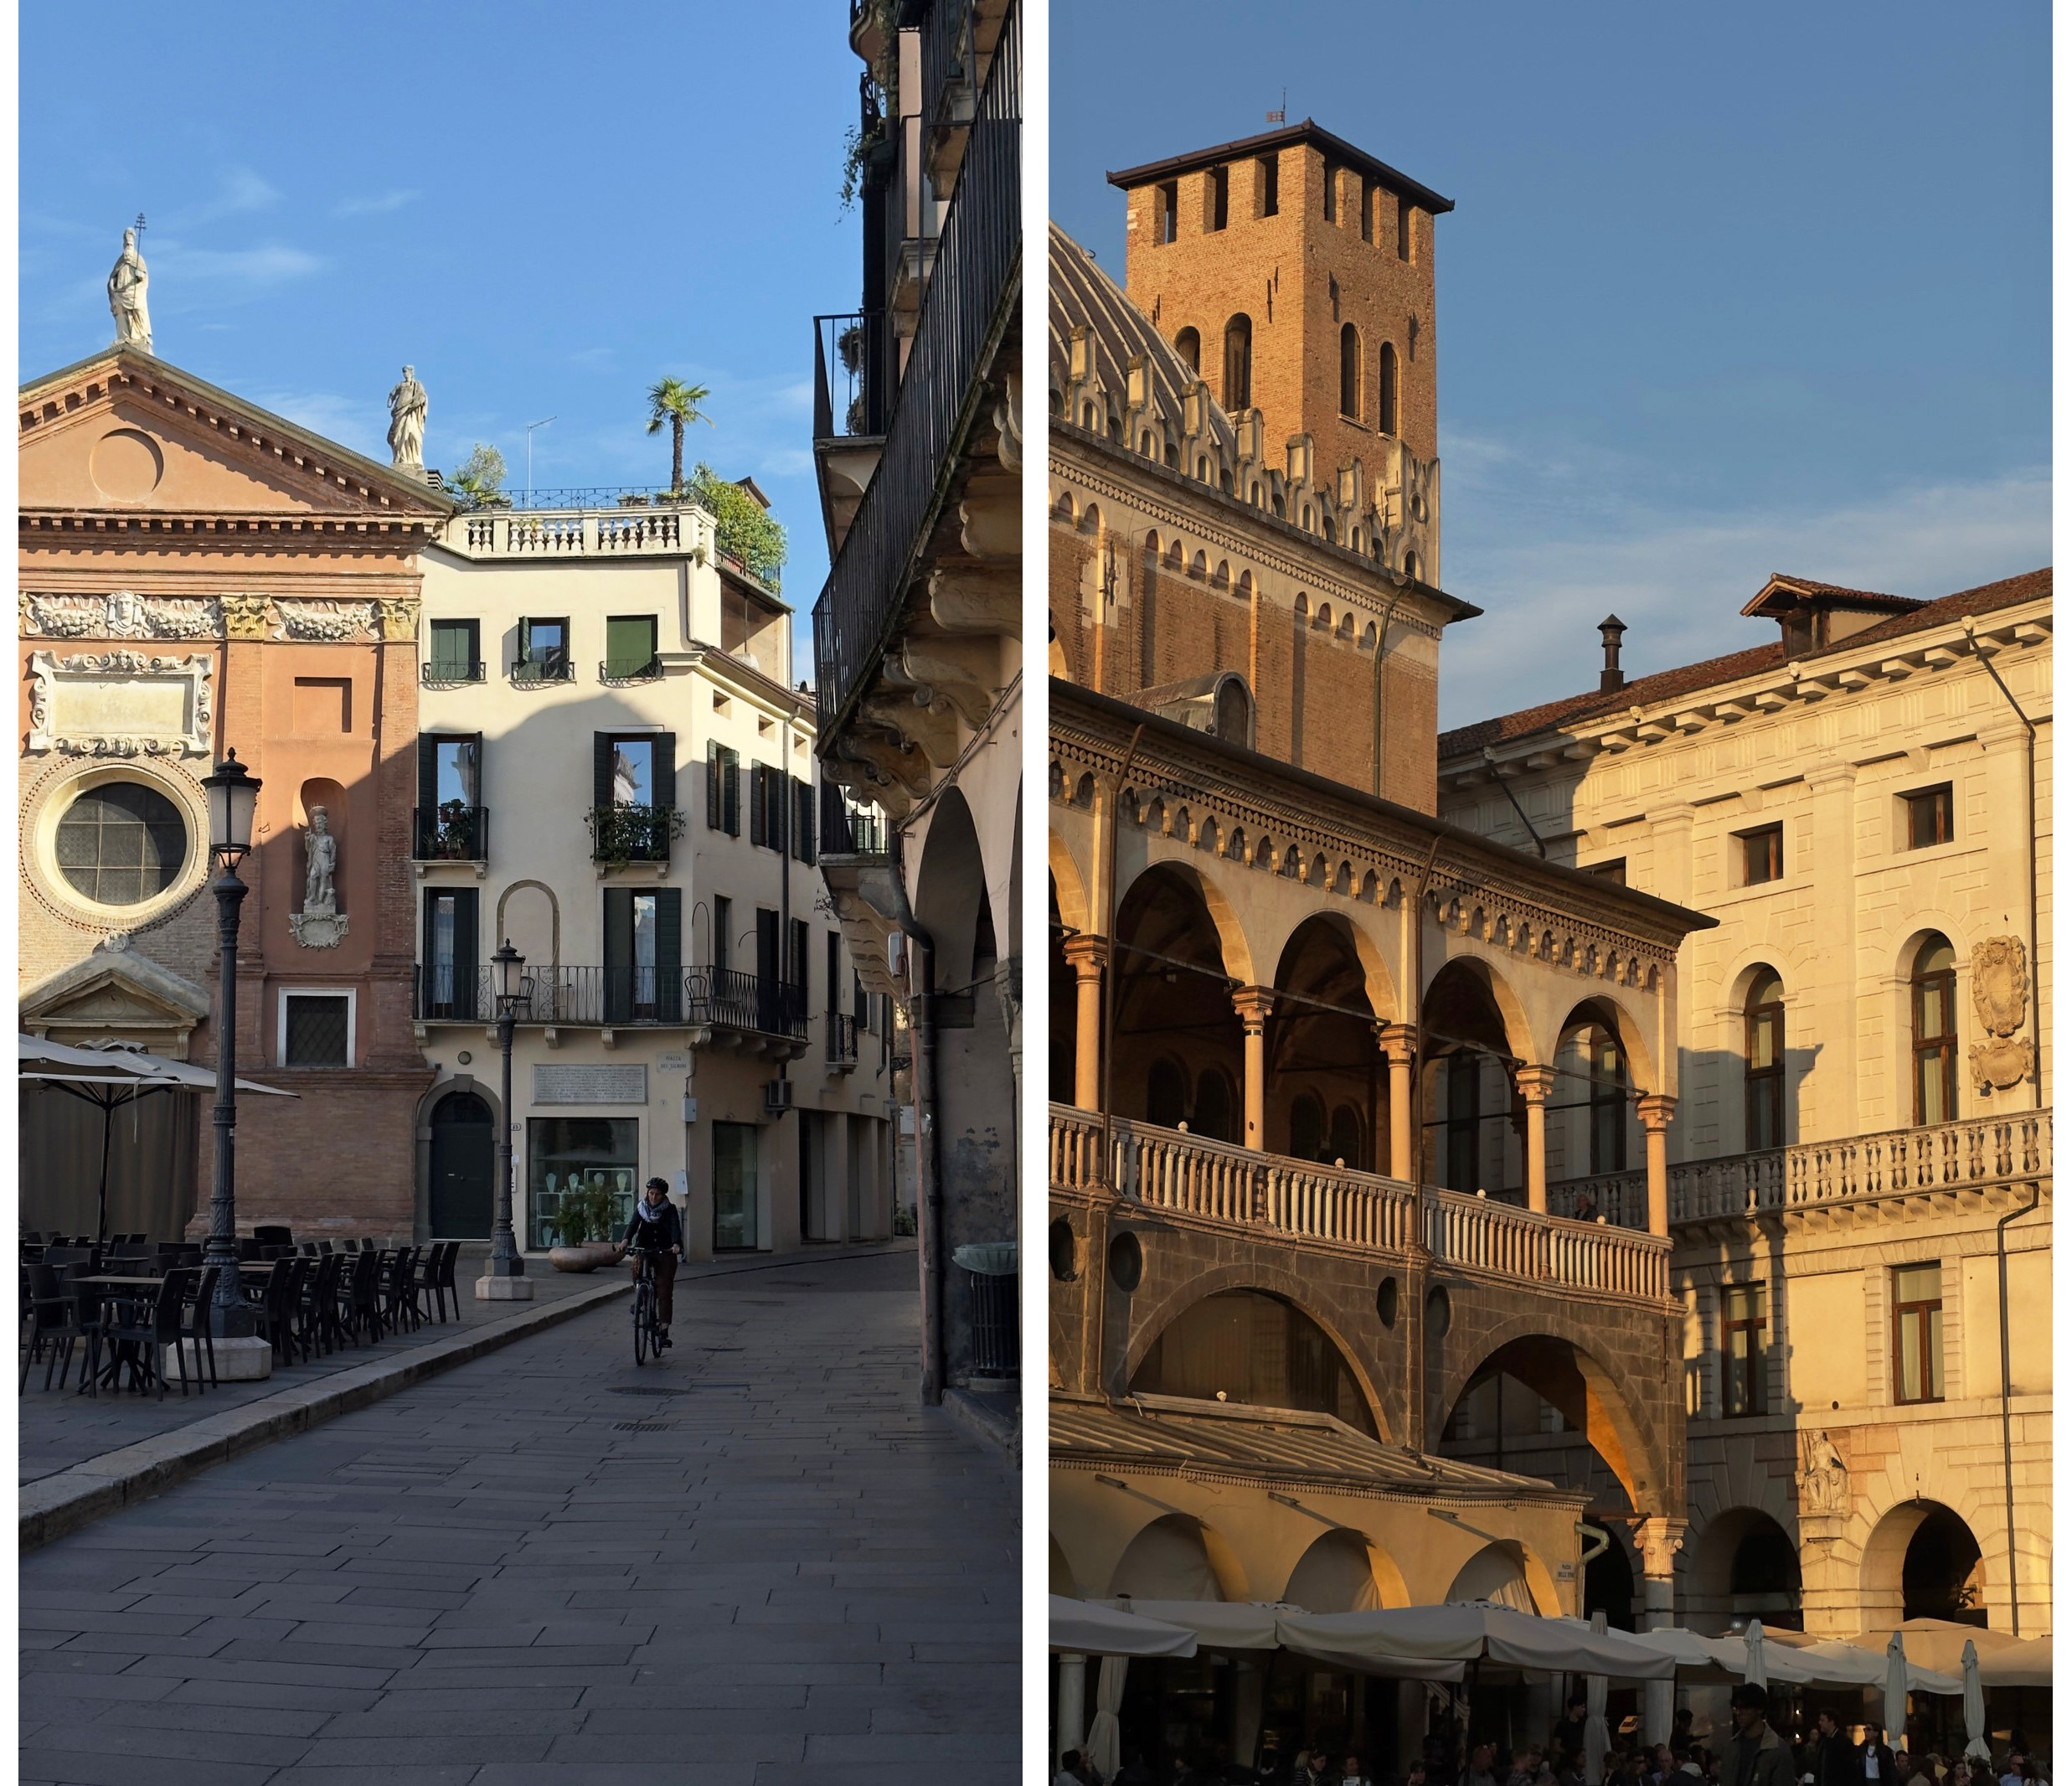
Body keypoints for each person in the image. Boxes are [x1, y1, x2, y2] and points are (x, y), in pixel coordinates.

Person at [615, 1176, 685, 1347]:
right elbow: (632, 1225)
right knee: (637, 1269)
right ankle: (641, 1297)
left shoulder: (670, 1210)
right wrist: (625, 1241)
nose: (653, 1197)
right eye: (651, 1193)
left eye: (657, 1194)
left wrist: (676, 1244)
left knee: (664, 1289)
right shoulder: (641, 1207)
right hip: (644, 1248)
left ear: (663, 1196)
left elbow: (676, 1227)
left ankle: (663, 1330)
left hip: (665, 1250)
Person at [1719, 1685, 1795, 1786]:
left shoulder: (1778, 1750)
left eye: (1745, 1708)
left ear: (1759, 1709)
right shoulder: (1731, 1747)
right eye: (1736, 1708)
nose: (1739, 1713)